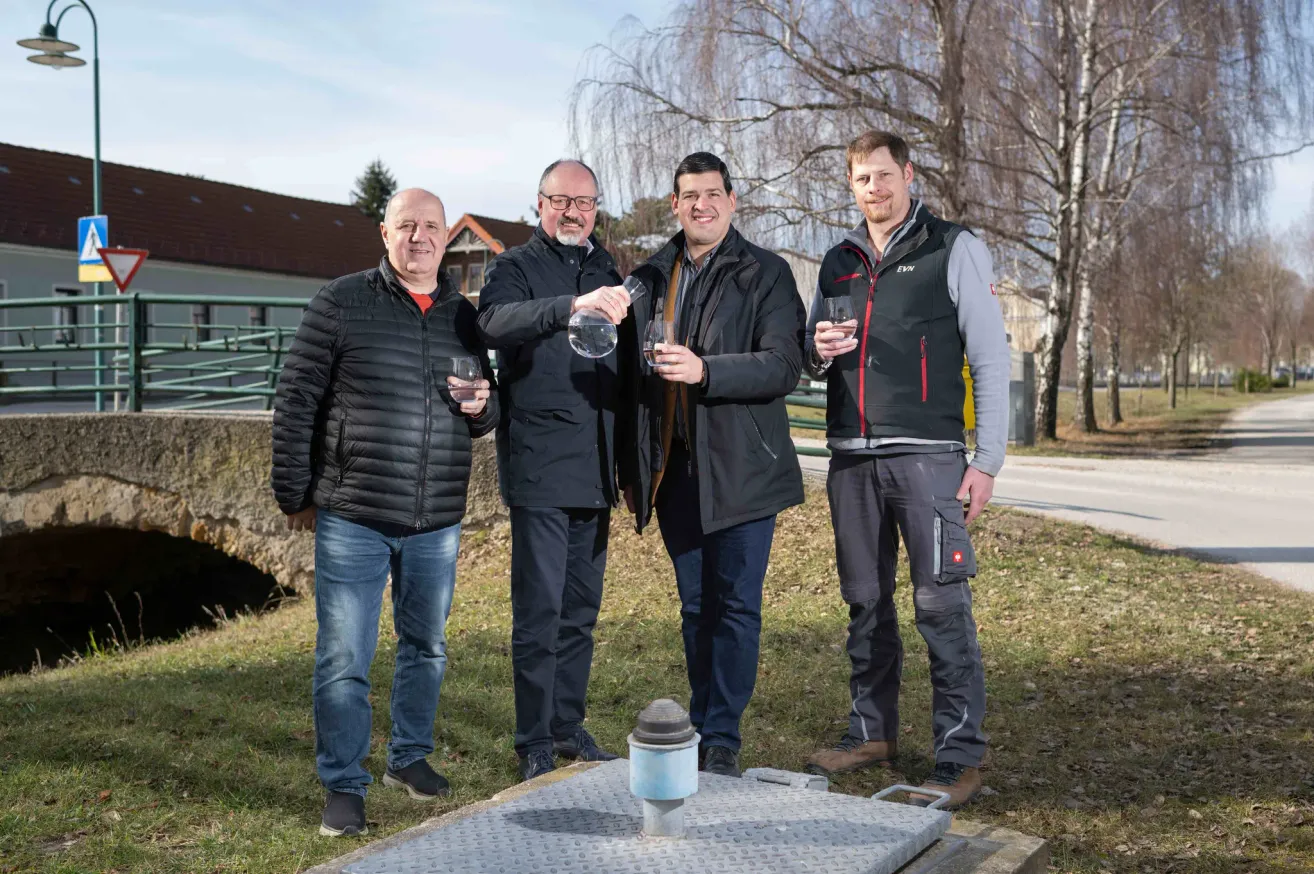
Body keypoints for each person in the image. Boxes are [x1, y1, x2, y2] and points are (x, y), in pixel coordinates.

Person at [271, 188, 496, 837]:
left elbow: (488, 414)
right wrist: (295, 494)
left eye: (431, 227)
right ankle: (343, 785)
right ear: (385, 232)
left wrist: (484, 408)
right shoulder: (342, 302)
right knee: (345, 655)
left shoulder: (465, 316)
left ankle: (409, 758)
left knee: (425, 646)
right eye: (407, 226)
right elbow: (296, 403)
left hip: (437, 520)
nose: (420, 237)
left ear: (445, 237)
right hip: (355, 516)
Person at [802, 131, 1010, 810]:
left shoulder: (953, 247)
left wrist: (987, 461)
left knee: (941, 605)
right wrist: (817, 350)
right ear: (851, 186)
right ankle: (871, 732)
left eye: (885, 176)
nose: (875, 189)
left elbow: (990, 359)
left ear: (909, 176)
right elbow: (810, 360)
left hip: (929, 458)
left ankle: (958, 754)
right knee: (866, 602)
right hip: (851, 460)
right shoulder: (835, 263)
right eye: (862, 179)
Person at [618, 151, 805, 778]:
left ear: (732, 200)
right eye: (689, 195)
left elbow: (784, 365)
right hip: (675, 473)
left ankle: (722, 736)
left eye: (712, 193)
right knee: (696, 606)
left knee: (736, 604)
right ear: (674, 205)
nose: (701, 204)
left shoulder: (766, 273)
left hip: (744, 469)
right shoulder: (650, 275)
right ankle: (701, 724)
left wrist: (707, 370)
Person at [476, 159, 629, 782]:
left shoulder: (608, 268)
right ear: (539, 204)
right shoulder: (514, 268)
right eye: (562, 201)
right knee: (539, 611)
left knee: (580, 610)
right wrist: (570, 304)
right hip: (539, 464)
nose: (574, 213)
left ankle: (567, 725)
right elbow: (493, 323)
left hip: (596, 465)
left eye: (586, 203)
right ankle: (533, 737)